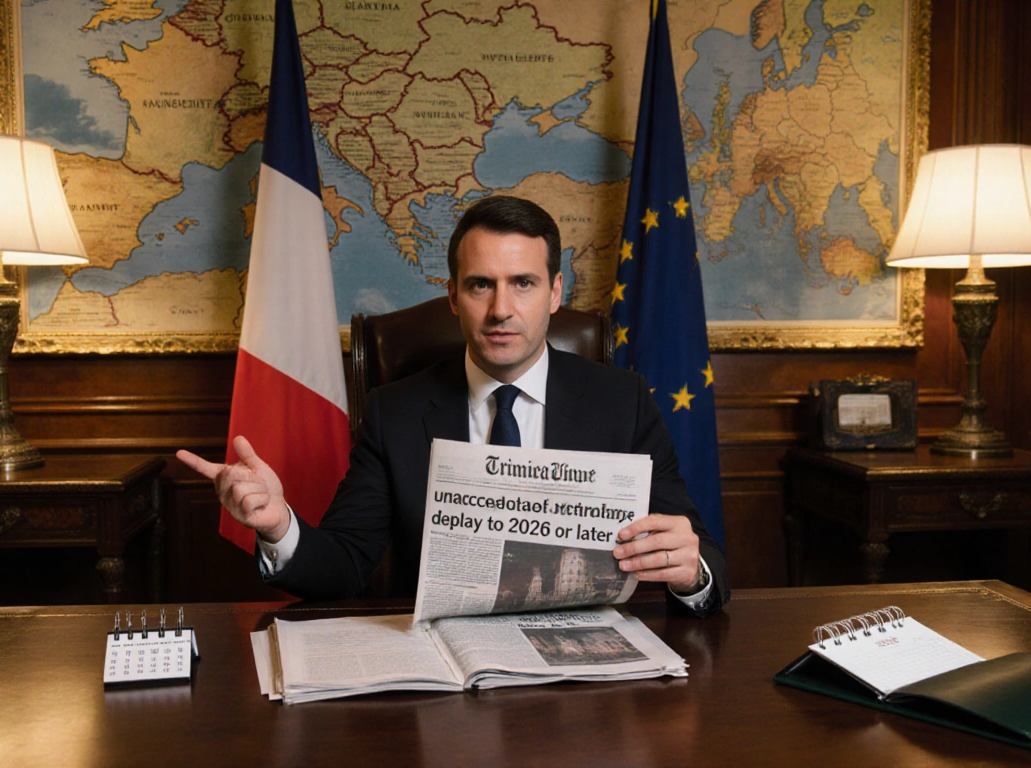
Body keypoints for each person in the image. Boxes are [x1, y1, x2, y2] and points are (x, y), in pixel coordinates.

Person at [178, 195, 728, 613]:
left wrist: (691, 572)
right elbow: (344, 567)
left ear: (556, 293)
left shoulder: (623, 402)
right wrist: (278, 527)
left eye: (524, 283)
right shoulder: (394, 412)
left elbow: (706, 562)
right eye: (481, 285)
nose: (501, 309)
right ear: (452, 296)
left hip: (583, 684)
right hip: (443, 685)